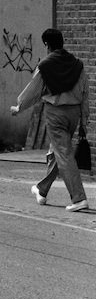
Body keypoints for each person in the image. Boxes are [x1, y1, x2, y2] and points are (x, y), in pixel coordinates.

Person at [11, 28, 89, 212]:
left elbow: (33, 91)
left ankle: (78, 198)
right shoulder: (77, 64)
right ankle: (42, 189)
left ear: (47, 44)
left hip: (55, 114)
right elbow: (85, 93)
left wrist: (19, 108)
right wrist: (84, 121)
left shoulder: (45, 65)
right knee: (57, 153)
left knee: (64, 155)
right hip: (74, 114)